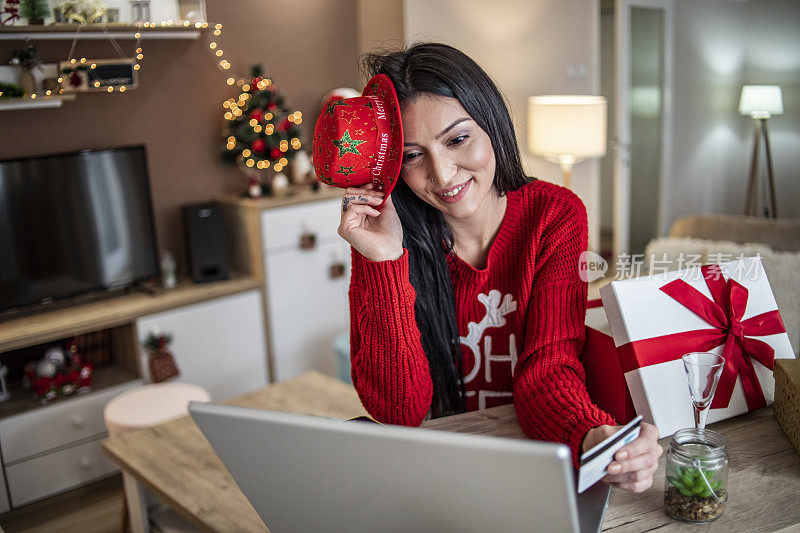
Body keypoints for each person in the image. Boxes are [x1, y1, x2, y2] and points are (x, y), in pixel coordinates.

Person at [319, 42, 661, 493]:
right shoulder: (385, 234)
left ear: (492, 123)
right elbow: (398, 412)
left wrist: (596, 438)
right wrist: (384, 261)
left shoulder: (554, 215)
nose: (442, 175)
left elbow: (548, 367)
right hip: (441, 468)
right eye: (413, 155)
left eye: (458, 139)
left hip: (537, 460)